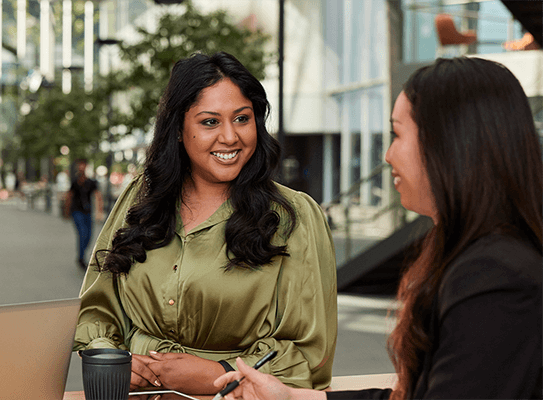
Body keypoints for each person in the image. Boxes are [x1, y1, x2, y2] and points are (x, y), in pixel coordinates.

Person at [213, 57, 543, 400]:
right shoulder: (482, 257)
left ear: (449, 145)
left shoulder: (495, 276)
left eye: (397, 134)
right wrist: (292, 397)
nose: (387, 155)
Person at [73, 52, 337, 395]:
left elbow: (310, 353)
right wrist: (111, 356)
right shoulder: (141, 198)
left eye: (242, 119)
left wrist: (220, 372)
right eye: (210, 122)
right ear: (178, 130)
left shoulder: (294, 217)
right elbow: (97, 307)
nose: (230, 137)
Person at [64, 158, 103, 269]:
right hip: (77, 211)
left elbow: (98, 196)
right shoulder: (74, 182)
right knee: (82, 233)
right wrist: (66, 212)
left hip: (87, 212)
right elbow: (69, 196)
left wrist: (99, 211)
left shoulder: (91, 182)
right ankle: (81, 258)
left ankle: (82, 254)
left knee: (89, 235)